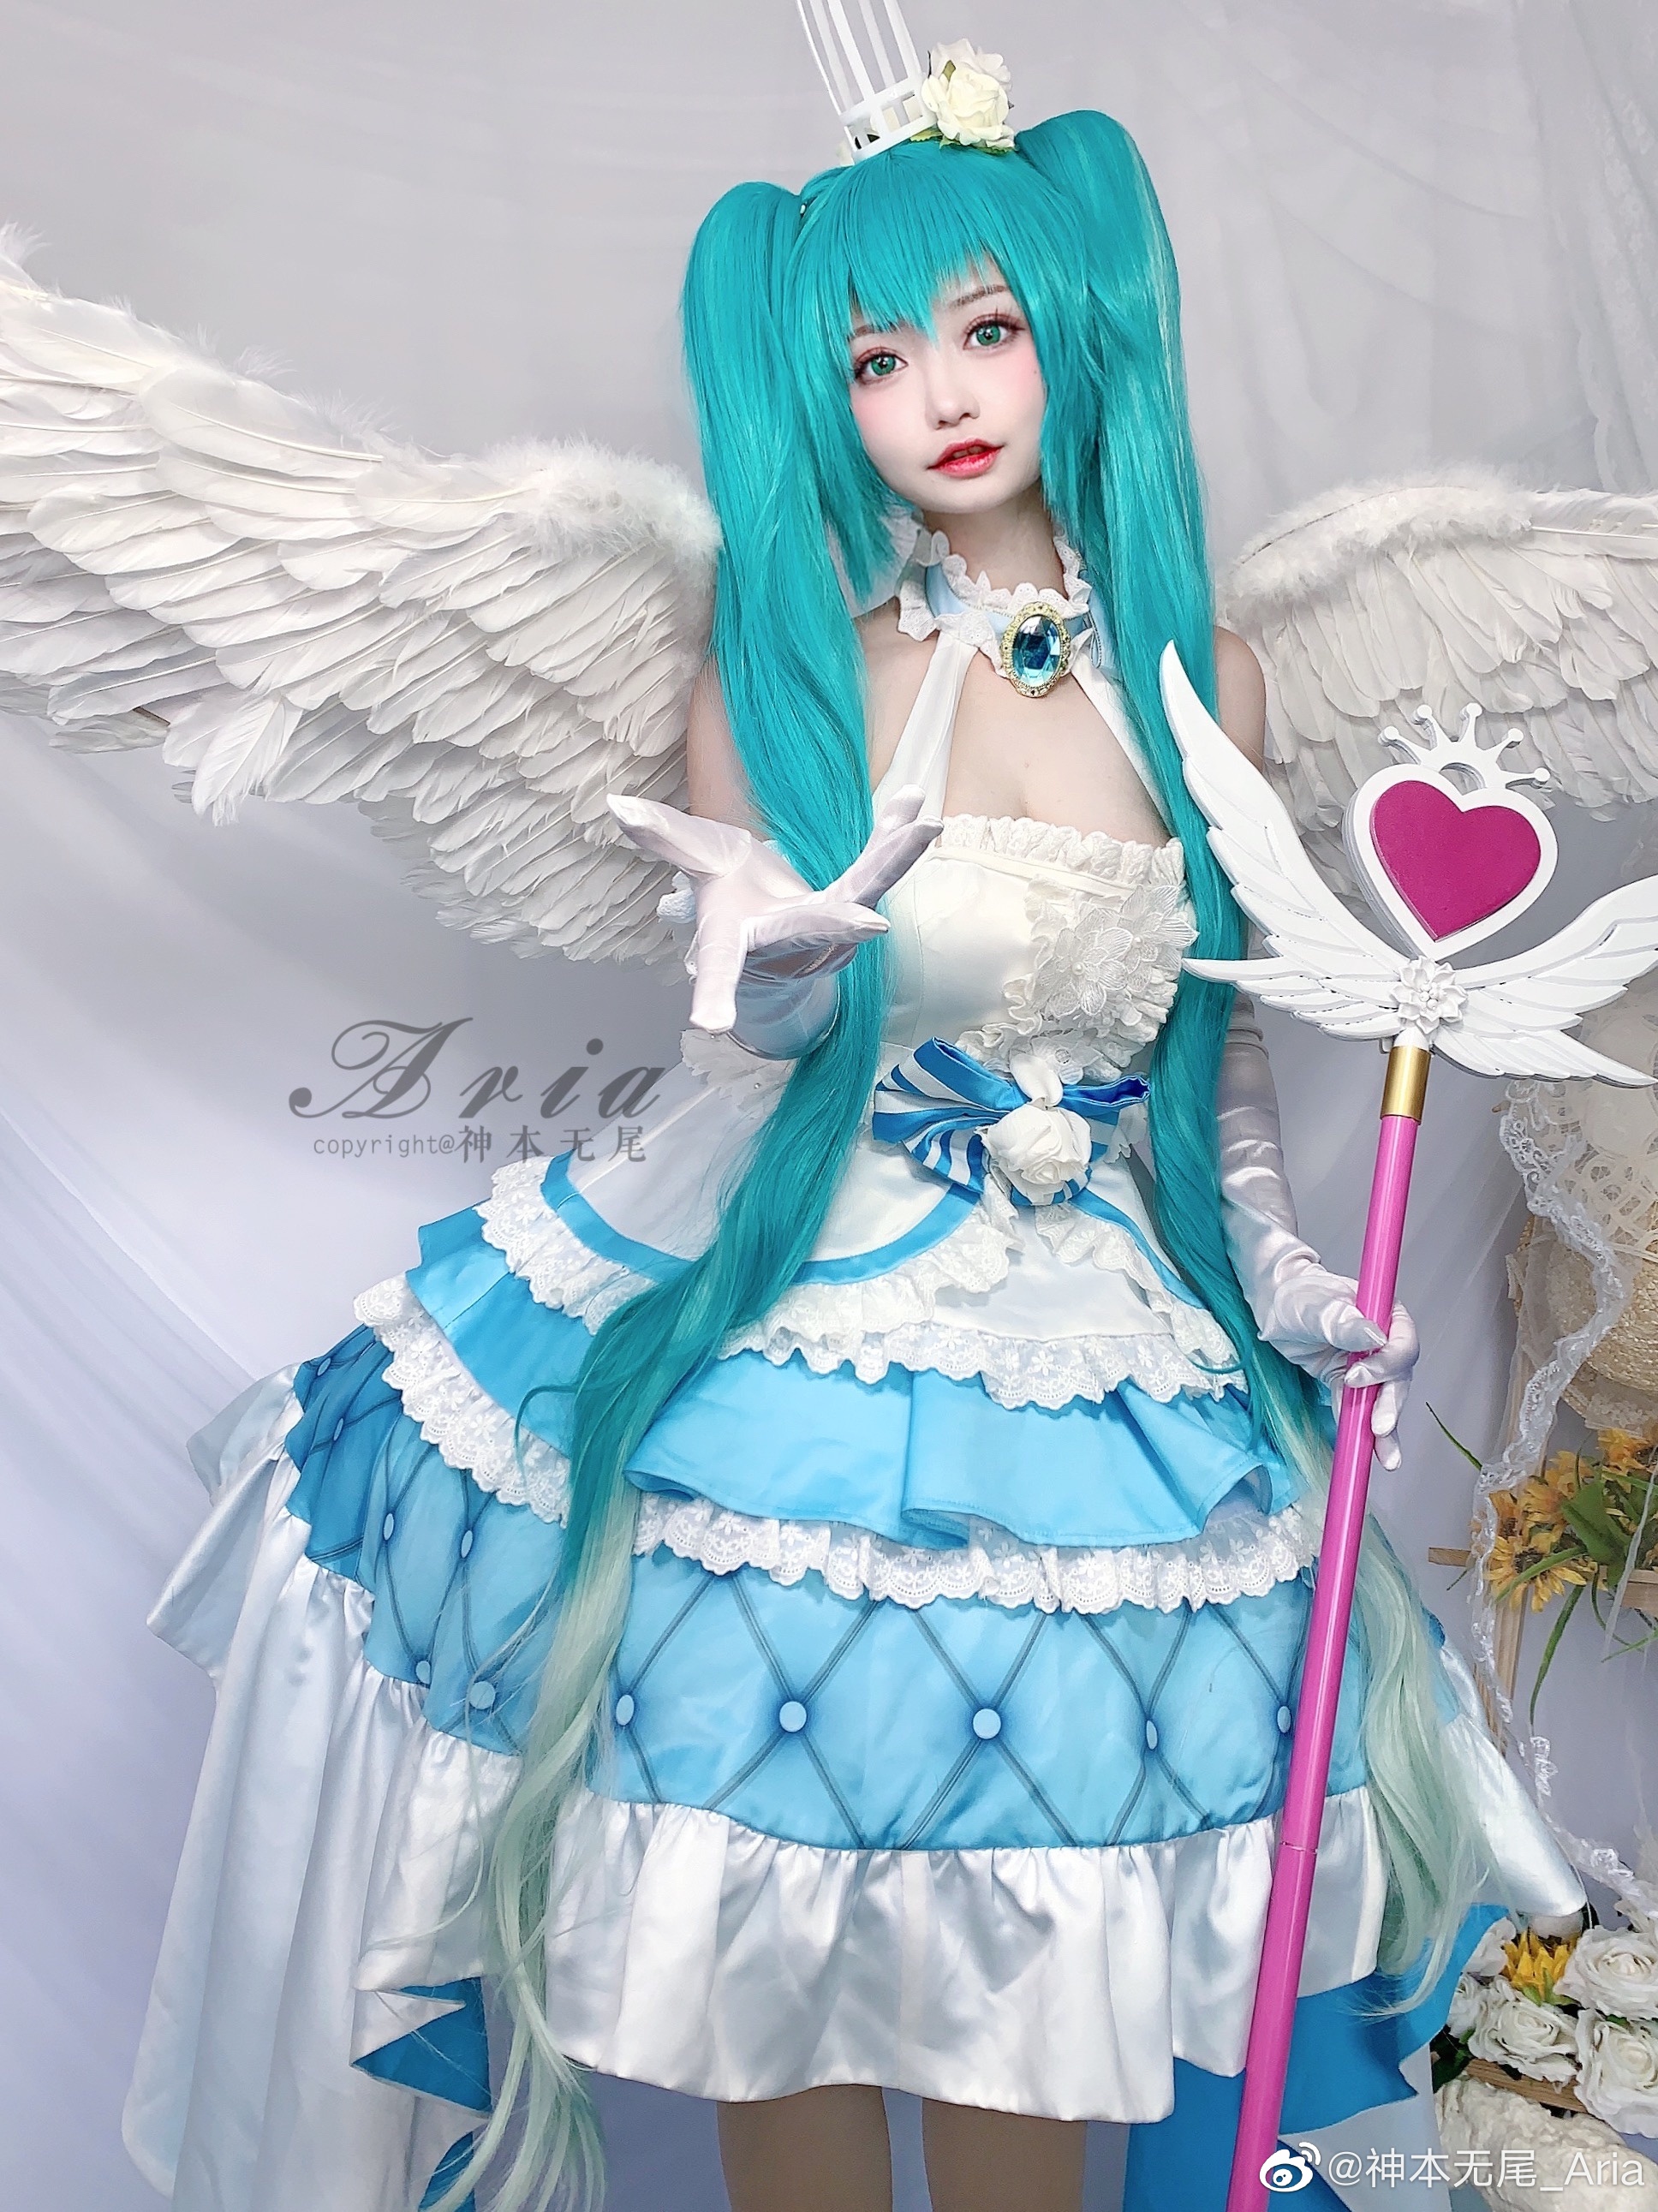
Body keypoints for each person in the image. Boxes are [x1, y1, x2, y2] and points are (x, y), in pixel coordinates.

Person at [9, 26, 1580, 2212]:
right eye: (874, 358)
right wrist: (766, 987)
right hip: (803, 1345)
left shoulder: (1199, 675)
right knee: (772, 1954)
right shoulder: (771, 675)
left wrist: (1297, 1276)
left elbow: (1208, 1064)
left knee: (1047, 1947)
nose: (942, 394)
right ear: (818, 398)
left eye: (984, 328)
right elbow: (735, 1065)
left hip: (1102, 1382)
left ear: (1069, 333)